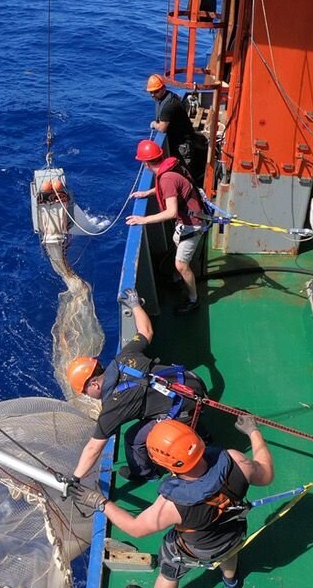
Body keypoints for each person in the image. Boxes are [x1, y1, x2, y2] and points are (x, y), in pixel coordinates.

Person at [68, 416, 273, 588]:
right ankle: (232, 582)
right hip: (233, 533)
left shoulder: (172, 504)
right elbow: (266, 474)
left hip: (197, 549)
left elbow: (136, 529)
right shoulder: (236, 460)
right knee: (228, 552)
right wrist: (253, 432)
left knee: (171, 566)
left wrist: (100, 502)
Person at [66, 289, 207, 483]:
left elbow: (93, 448)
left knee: (133, 439)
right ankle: (199, 427)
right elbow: (146, 331)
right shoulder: (125, 356)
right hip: (194, 383)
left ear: (93, 384)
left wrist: (75, 478)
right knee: (166, 403)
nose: (87, 395)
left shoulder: (112, 408)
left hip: (186, 407)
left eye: (85, 391)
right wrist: (135, 305)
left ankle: (145, 473)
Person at [128, 139, 205, 315]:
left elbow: (171, 212)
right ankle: (178, 280)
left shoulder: (166, 178)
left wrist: (143, 219)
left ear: (146, 163)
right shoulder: (168, 170)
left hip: (192, 225)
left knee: (181, 265)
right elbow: (169, 189)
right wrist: (147, 193)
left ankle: (193, 300)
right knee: (178, 246)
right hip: (187, 222)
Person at [146, 74, 207, 185]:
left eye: (155, 91)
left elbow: (162, 128)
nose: (152, 95)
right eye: (151, 92)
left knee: (185, 173)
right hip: (182, 141)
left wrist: (154, 124)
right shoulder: (170, 97)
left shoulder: (168, 106)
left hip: (183, 145)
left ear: (163, 88)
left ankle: (191, 192)